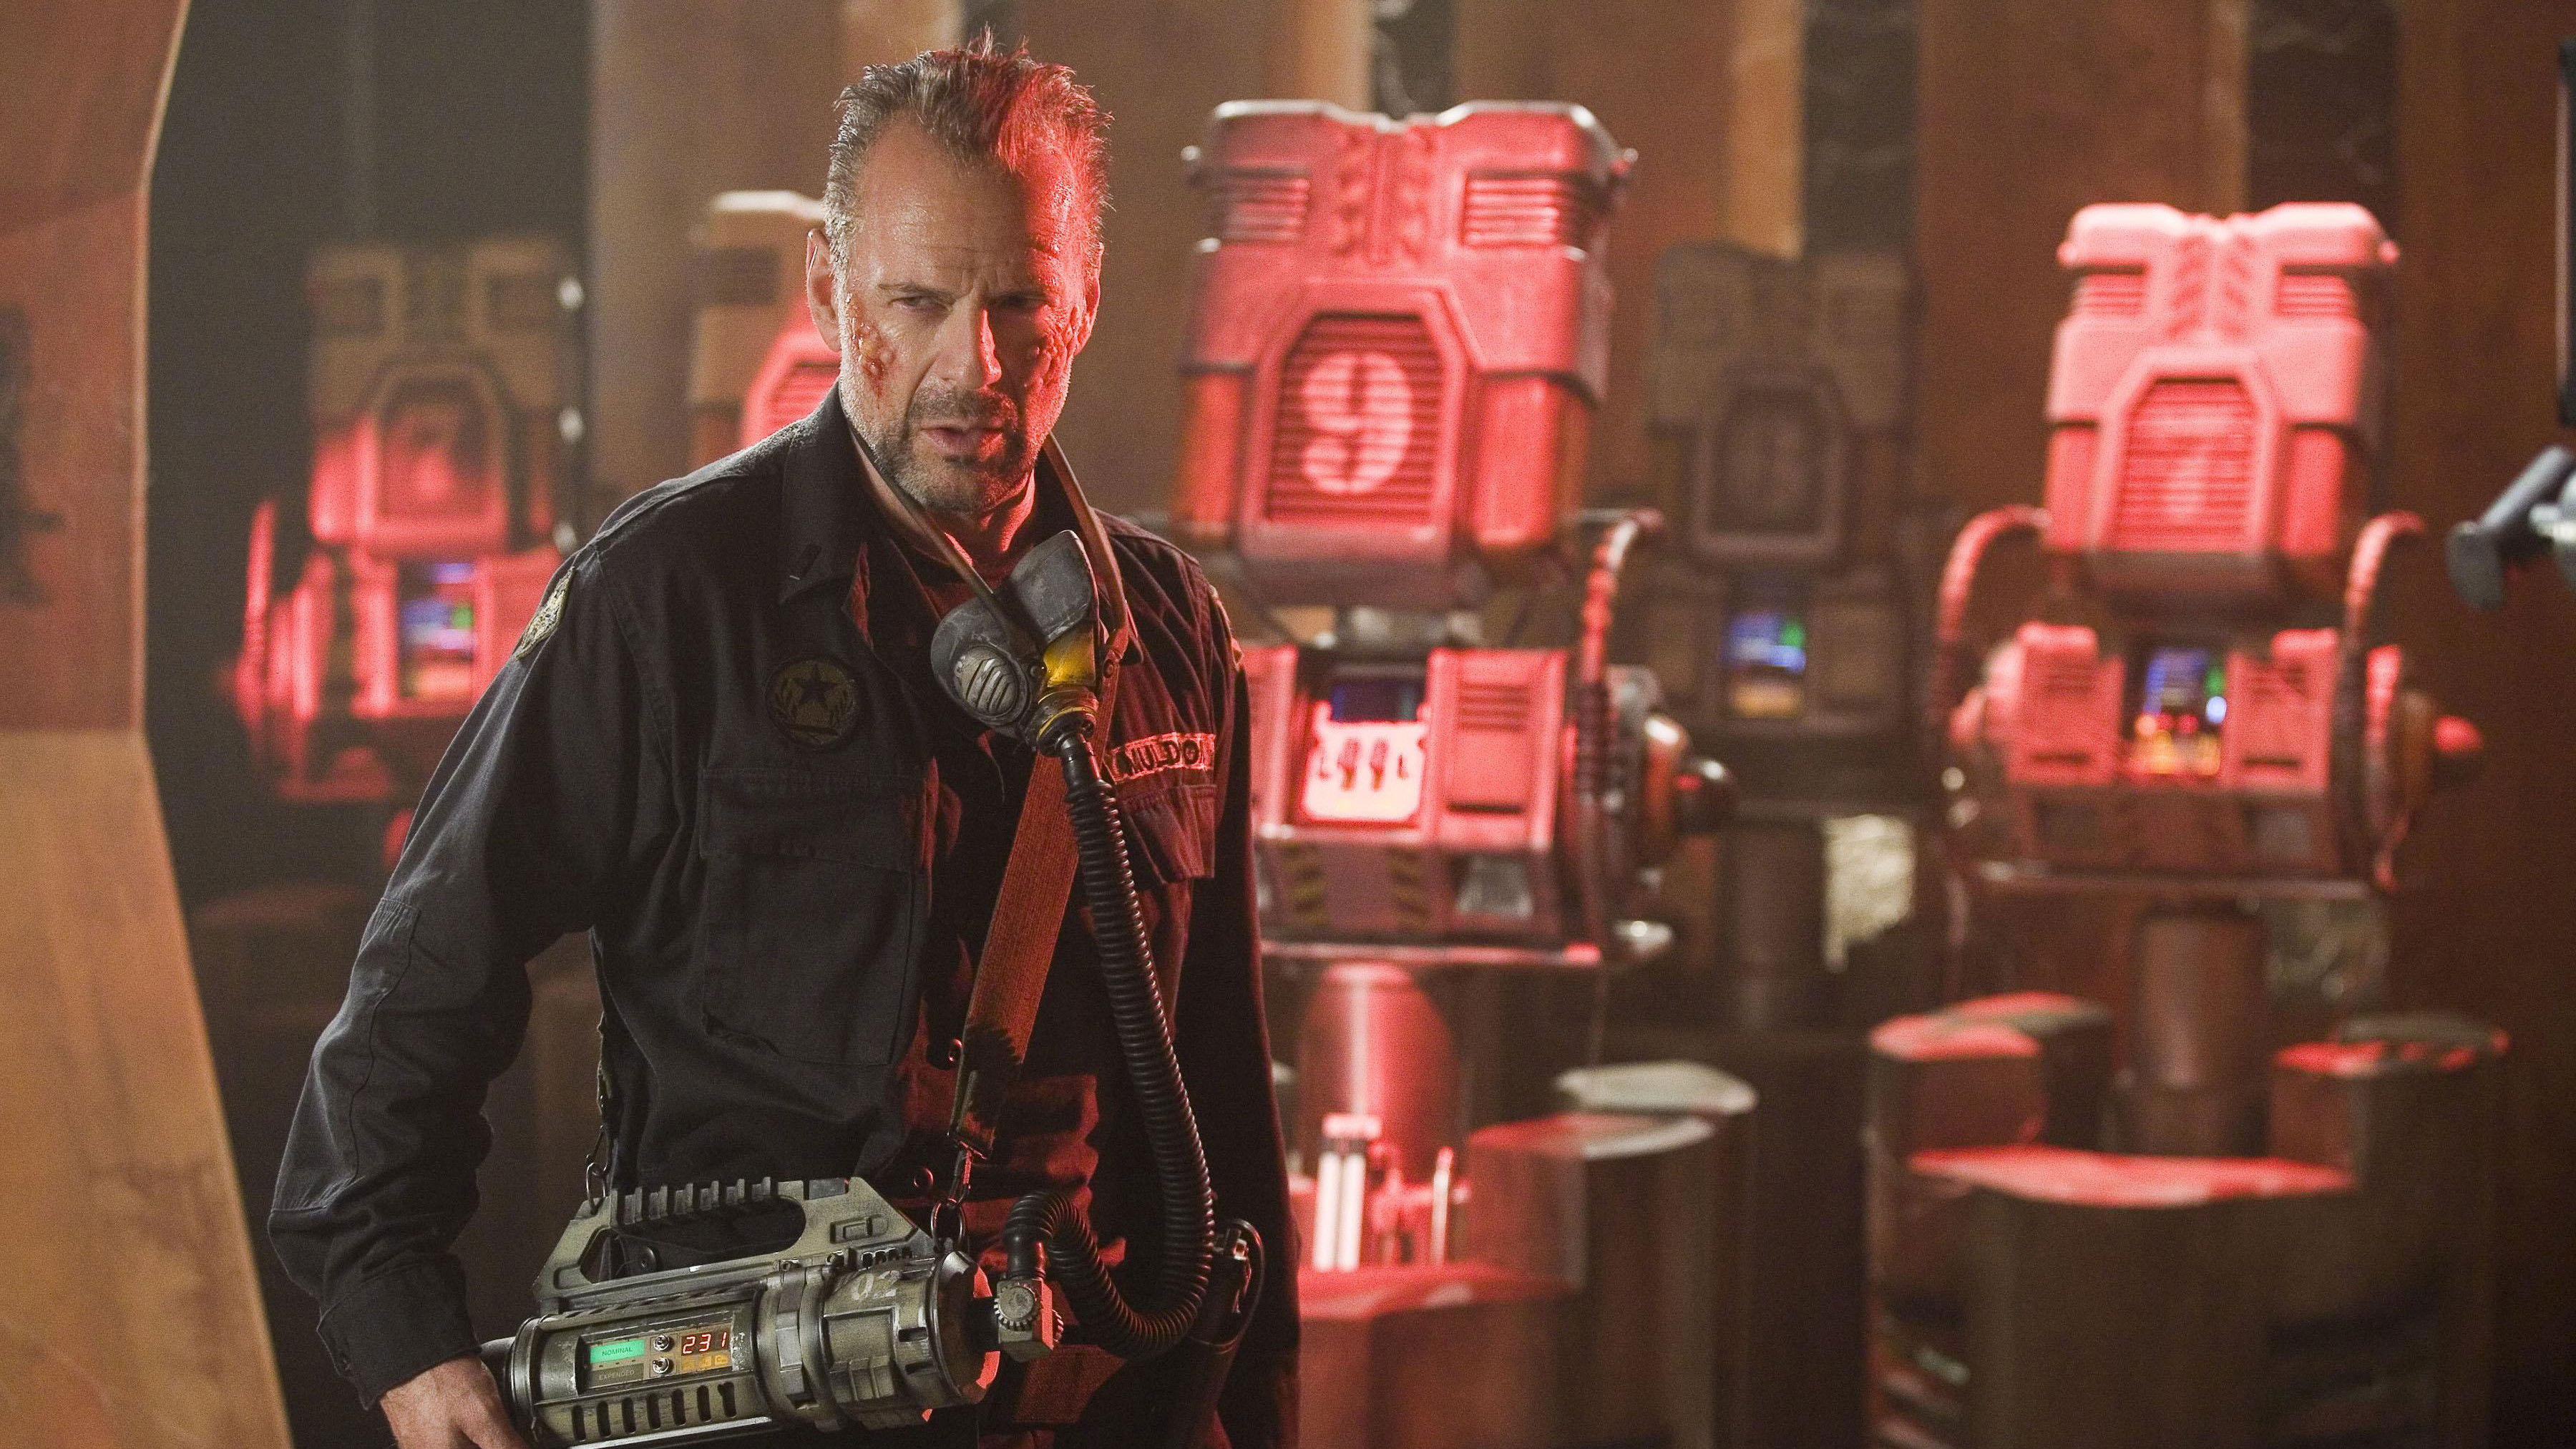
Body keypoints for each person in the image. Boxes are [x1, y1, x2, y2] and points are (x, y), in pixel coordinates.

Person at [270, 39, 1296, 1449]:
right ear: (828, 289)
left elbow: (1223, 1105)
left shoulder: (1169, 632)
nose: (974, 365)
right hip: (751, 1402)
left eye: (1020, 304)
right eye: (917, 302)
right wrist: (408, 1341)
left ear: (1088, 297)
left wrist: (1261, 1406)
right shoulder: (668, 598)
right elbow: (417, 988)